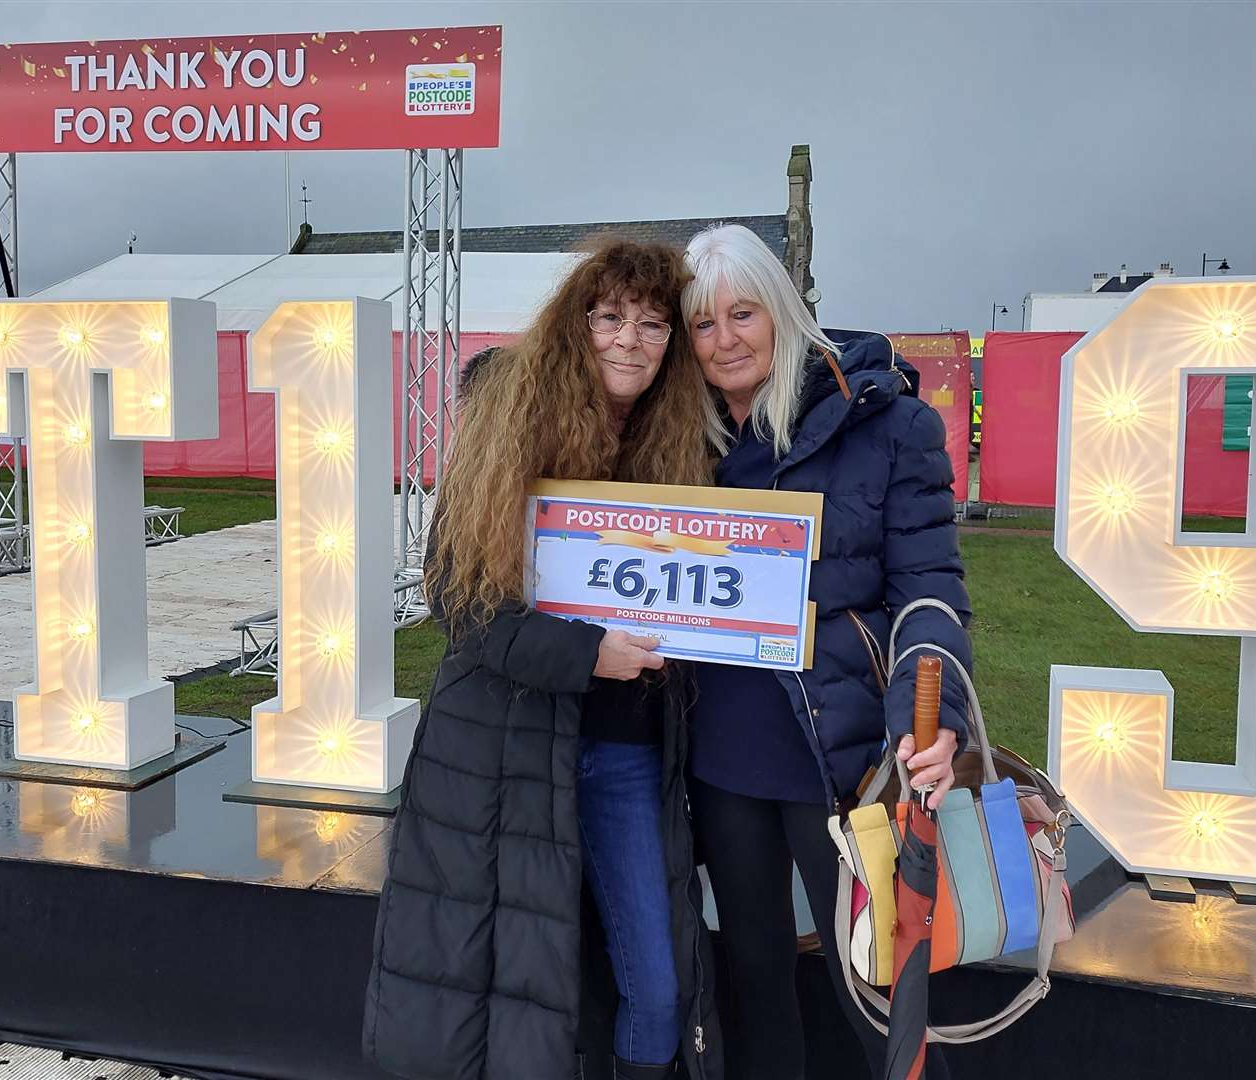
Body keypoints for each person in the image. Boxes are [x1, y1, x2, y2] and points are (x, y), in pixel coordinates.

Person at [364, 240, 723, 1080]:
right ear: (576, 323)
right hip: (502, 747)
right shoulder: (507, 415)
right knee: (507, 993)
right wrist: (587, 653)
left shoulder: (679, 439)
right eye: (608, 318)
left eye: (650, 322)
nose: (629, 339)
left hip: (629, 754)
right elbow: (457, 598)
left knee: (657, 989)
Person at [681, 223, 971, 1079]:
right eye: (702, 324)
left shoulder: (887, 425)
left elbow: (929, 589)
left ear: (782, 312)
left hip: (839, 757)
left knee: (878, 989)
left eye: (743, 314)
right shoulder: (680, 439)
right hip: (722, 759)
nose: (725, 340)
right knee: (757, 981)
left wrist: (933, 713)